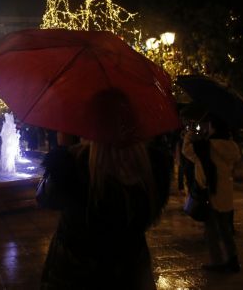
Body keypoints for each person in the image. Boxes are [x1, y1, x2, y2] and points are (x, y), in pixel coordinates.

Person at [40, 89, 170, 289]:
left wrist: (63, 151)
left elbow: (46, 198)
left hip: (76, 271)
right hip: (131, 270)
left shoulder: (74, 167)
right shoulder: (151, 168)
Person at [182, 114, 241, 273]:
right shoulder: (232, 146)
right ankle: (232, 260)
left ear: (213, 128)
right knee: (225, 229)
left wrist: (190, 135)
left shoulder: (207, 147)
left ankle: (218, 262)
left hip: (210, 194)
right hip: (225, 194)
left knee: (211, 232)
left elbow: (187, 151)